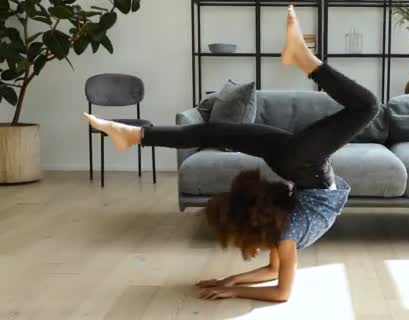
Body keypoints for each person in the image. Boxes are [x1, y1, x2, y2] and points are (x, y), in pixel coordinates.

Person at [83, 5, 378, 302]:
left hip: (298, 168)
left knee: (219, 131)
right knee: (366, 107)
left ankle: (136, 135)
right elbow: (281, 291)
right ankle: (304, 60)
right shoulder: (285, 236)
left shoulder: (282, 234)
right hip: (304, 169)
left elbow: (273, 275)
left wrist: (230, 281)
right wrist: (234, 288)